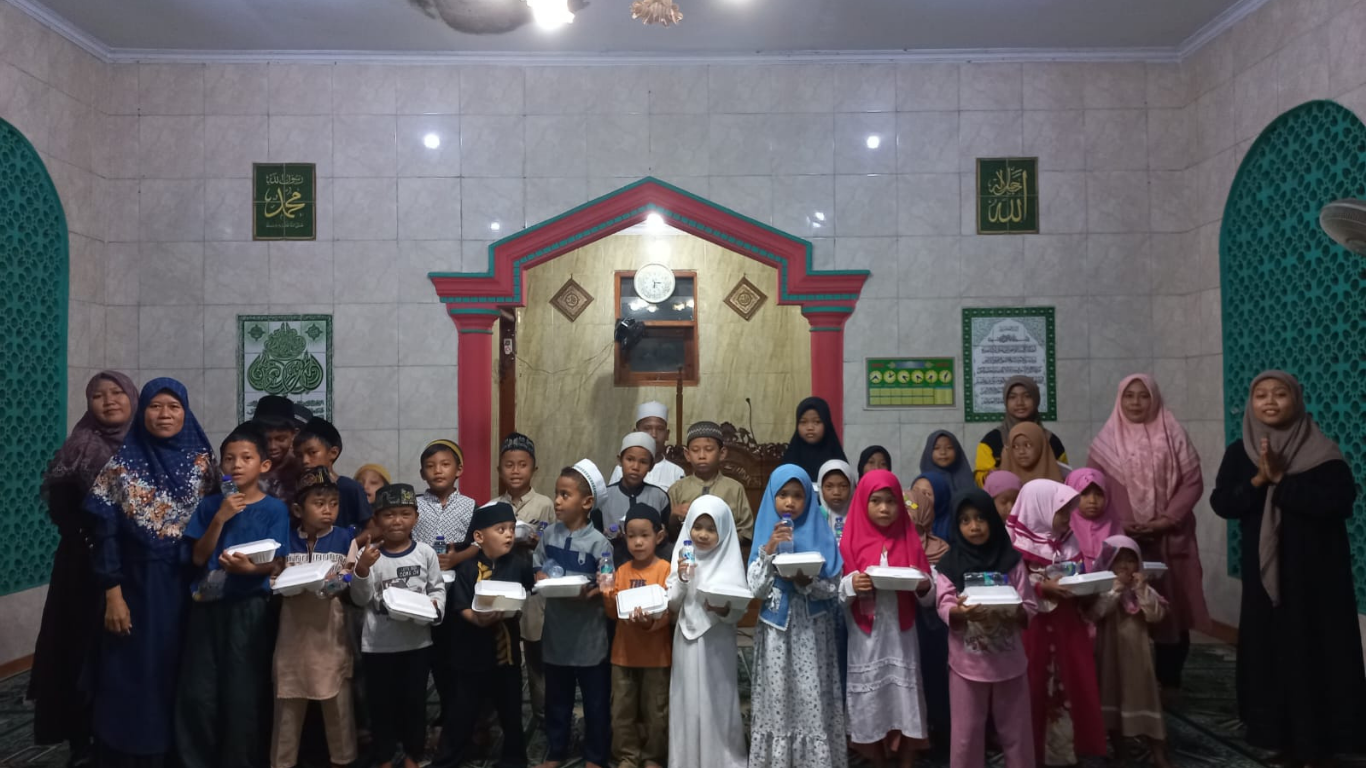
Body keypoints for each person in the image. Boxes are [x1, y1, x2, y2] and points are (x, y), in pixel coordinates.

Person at [1210, 370, 1366, 765]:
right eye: (1261, 395)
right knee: (1271, 650)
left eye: (1280, 394)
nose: (1270, 402)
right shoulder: (1239, 452)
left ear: (1296, 400)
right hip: (1265, 576)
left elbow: (1339, 502)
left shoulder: (1322, 451)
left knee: (1314, 649)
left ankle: (1322, 740)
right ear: (1251, 403)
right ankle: (1275, 734)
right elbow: (1223, 503)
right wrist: (1258, 480)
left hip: (1316, 575)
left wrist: (1282, 480)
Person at [85, 378, 217, 768]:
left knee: (189, 671)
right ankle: (137, 754)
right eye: (155, 406)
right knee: (138, 672)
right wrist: (113, 593)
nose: (164, 415)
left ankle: (185, 752)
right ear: (142, 412)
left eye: (173, 407)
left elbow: (219, 522)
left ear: (186, 413)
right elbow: (105, 535)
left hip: (192, 586)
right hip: (139, 588)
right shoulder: (121, 467)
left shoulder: (203, 465)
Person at [30, 370, 136, 764]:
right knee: (80, 650)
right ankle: (82, 739)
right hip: (84, 569)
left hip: (137, 566)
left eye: (117, 393)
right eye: (98, 395)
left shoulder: (145, 447)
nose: (109, 401)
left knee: (127, 651)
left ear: (132, 398)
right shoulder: (79, 449)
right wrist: (100, 541)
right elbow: (63, 513)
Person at [177, 424, 290, 768]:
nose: (236, 465)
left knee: (242, 690)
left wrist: (250, 570)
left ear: (263, 465)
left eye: (246, 458)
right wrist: (220, 518)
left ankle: (240, 760)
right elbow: (198, 558)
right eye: (229, 459)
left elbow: (278, 562)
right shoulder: (210, 506)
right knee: (199, 691)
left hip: (249, 609)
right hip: (207, 606)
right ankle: (197, 759)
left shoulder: (275, 509)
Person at [1088, 373, 1209, 691]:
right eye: (1129, 396)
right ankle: (1129, 685)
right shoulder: (1106, 440)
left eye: (1143, 396)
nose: (1136, 402)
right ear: (1120, 399)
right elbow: (1094, 486)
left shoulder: (1173, 433)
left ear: (1154, 398)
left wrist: (1166, 519)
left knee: (1173, 611)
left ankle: (1169, 681)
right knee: (1125, 611)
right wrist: (1122, 522)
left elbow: (1193, 482)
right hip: (1123, 541)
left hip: (1171, 537)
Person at [746, 465, 847, 768]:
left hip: (812, 631)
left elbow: (833, 587)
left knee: (810, 696)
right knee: (778, 696)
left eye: (798, 495)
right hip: (776, 632)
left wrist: (808, 583)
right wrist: (769, 549)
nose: (789, 502)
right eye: (783, 495)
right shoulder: (765, 533)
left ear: (808, 499)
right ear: (772, 498)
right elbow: (756, 588)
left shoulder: (820, 532)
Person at [935, 489, 1036, 768]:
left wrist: (1014, 611)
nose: (974, 526)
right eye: (965, 520)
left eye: (981, 518)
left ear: (992, 519)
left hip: (1009, 664)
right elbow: (943, 602)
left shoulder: (1011, 560)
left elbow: (1029, 603)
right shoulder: (950, 563)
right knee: (966, 735)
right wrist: (960, 612)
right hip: (967, 666)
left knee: (1017, 733)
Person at [839, 469, 933, 768]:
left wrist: (922, 585)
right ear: (862, 503)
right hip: (866, 638)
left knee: (905, 699)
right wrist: (852, 584)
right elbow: (837, 593)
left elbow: (928, 592)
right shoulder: (850, 541)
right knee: (871, 701)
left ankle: (907, 761)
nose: (884, 508)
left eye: (891, 502)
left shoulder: (909, 539)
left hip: (902, 637)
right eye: (876, 501)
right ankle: (877, 760)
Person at [1007, 479, 1105, 766]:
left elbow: (1078, 574)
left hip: (1066, 628)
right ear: (1039, 508)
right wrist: (1041, 589)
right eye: (1060, 511)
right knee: (1032, 688)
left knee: (1070, 686)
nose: (1066, 518)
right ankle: (1029, 755)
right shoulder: (1013, 544)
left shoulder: (1068, 541)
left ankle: (1062, 753)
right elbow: (1006, 587)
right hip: (1032, 630)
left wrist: (1088, 586)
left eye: (1067, 512)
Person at [350, 483, 446, 768]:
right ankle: (384, 755)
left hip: (417, 643)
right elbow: (360, 599)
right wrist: (362, 568)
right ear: (377, 519)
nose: (397, 521)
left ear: (415, 517)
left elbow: (437, 588)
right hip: (378, 644)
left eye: (405, 514)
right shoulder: (369, 555)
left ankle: (413, 754)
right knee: (381, 704)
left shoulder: (425, 553)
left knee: (414, 702)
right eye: (389, 514)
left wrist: (435, 607)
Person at [433, 501, 535, 768]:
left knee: (511, 711)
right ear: (479, 536)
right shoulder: (467, 568)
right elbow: (461, 606)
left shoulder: (519, 564)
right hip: (471, 655)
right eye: (501, 529)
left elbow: (528, 590)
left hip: (506, 655)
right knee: (462, 712)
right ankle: (448, 759)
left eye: (511, 528)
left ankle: (514, 760)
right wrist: (478, 619)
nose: (509, 534)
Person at [271, 467, 358, 768]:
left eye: (333, 504)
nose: (328, 510)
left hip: (330, 634)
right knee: (288, 703)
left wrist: (341, 581)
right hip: (292, 636)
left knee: (338, 706)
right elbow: (273, 577)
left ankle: (343, 761)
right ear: (298, 509)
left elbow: (352, 579)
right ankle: (282, 762)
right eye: (319, 503)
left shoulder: (346, 538)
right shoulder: (284, 540)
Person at [533, 460, 613, 768]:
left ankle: (595, 755)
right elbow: (538, 564)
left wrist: (592, 592)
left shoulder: (599, 543)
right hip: (557, 634)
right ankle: (556, 751)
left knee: (595, 701)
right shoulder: (549, 536)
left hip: (589, 636)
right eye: (557, 493)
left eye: (565, 495)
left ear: (587, 502)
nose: (557, 501)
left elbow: (607, 581)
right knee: (557, 699)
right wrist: (540, 576)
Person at [666, 496, 748, 768]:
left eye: (711, 529)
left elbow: (738, 609)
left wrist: (725, 610)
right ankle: (686, 759)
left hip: (717, 640)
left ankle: (721, 758)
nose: (702, 534)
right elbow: (672, 603)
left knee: (717, 697)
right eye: (697, 526)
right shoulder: (682, 555)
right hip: (686, 636)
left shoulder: (729, 561)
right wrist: (681, 578)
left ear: (723, 531)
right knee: (686, 697)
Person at [1088, 535, 1172, 768]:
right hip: (1110, 657)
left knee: (1146, 699)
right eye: (1119, 560)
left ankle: (1159, 754)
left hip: (1138, 659)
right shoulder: (1103, 589)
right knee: (1113, 700)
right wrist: (1115, 591)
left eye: (1131, 560)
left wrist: (1141, 588)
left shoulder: (1143, 589)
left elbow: (1155, 615)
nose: (1125, 566)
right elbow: (1095, 613)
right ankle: (1121, 753)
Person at [409, 439, 477, 728]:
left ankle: (461, 717)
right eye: (430, 466)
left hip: (458, 585)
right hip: (423, 587)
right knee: (430, 653)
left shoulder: (470, 505)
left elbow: (478, 544)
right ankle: (437, 714)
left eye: (445, 464)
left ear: (458, 470)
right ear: (422, 473)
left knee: (456, 652)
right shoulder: (414, 505)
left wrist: (457, 557)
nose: (438, 470)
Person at [602, 505, 672, 768]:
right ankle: (627, 756)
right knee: (622, 710)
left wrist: (649, 623)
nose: (638, 542)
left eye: (644, 535)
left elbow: (669, 613)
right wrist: (607, 594)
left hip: (656, 655)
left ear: (659, 536)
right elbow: (613, 613)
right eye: (631, 536)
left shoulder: (665, 570)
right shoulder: (621, 571)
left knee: (657, 710)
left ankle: (653, 756)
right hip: (624, 654)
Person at [495, 432, 554, 726]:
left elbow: (554, 544)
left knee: (536, 655)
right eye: (509, 465)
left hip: (535, 591)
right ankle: (508, 716)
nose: (515, 471)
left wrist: (537, 541)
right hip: (504, 587)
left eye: (522, 465)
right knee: (505, 655)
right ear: (499, 469)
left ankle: (544, 715)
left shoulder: (545, 504)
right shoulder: (494, 506)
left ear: (534, 469)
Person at [905, 482, 950, 740]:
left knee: (932, 676)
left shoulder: (940, 549)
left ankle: (937, 733)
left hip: (931, 629)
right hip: (899, 628)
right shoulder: (887, 546)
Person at [666, 421, 755, 543]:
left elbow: (746, 531)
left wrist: (719, 541)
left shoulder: (735, 488)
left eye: (709, 449)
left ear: (722, 453)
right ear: (687, 454)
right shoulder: (677, 489)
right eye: (695, 450)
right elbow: (666, 532)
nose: (702, 456)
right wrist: (673, 516)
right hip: (686, 550)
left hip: (725, 550)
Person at [974, 376, 1067, 487]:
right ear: (1006, 401)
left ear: (1036, 399)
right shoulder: (991, 441)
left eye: (1027, 396)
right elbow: (981, 480)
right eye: (1012, 397)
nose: (1020, 403)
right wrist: (995, 476)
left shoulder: (1051, 441)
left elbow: (1065, 477)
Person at [599, 432, 671, 559]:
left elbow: (666, 535)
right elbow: (595, 535)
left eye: (643, 462)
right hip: (612, 562)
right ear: (620, 460)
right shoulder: (604, 496)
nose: (635, 467)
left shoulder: (660, 497)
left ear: (651, 466)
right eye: (630, 460)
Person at [294, 417, 373, 532]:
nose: (305, 460)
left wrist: (351, 542)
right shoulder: (297, 488)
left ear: (333, 453)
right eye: (299, 455)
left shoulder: (350, 488)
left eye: (312, 453)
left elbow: (373, 529)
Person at [608, 401, 686, 489]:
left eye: (660, 429)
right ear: (636, 433)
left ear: (667, 434)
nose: (654, 435)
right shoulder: (621, 470)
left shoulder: (676, 472)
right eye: (647, 428)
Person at [252, 395, 309, 501]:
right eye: (266, 439)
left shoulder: (302, 467)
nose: (272, 447)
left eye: (281, 439)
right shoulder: (245, 465)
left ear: (294, 434)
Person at [779, 397, 848, 482]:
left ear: (826, 424)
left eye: (817, 422)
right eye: (803, 422)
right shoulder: (791, 458)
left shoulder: (837, 460)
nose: (810, 427)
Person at [1063, 468, 1119, 571]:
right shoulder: (1062, 530)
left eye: (1099, 494)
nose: (1092, 500)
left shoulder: (1115, 530)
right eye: (1084, 493)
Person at [1000, 422, 1065, 484]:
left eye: (1028, 445)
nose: (1021, 451)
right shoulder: (1002, 484)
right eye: (1015, 446)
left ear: (1040, 446)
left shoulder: (1060, 485)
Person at [919, 430, 974, 498]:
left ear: (957, 450)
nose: (943, 452)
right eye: (936, 448)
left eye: (949, 447)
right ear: (928, 452)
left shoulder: (969, 480)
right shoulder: (921, 484)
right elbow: (913, 503)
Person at [907, 471, 954, 541]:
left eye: (926, 494)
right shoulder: (902, 519)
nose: (918, 496)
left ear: (939, 498)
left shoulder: (950, 530)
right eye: (915, 491)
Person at [817, 459, 855, 541]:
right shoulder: (815, 516)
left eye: (843, 486)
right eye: (829, 486)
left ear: (852, 488)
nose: (836, 492)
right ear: (821, 488)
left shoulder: (858, 516)